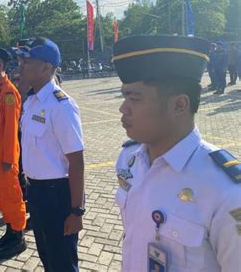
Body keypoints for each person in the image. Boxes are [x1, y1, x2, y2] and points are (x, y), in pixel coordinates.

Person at [112, 35, 241, 272]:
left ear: (179, 105)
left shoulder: (226, 191)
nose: (123, 108)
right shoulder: (130, 160)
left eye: (134, 98)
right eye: (124, 96)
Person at [19, 38, 85, 271]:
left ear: (46, 67)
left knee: (63, 262)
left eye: (28, 61)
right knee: (48, 256)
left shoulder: (61, 106)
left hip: (57, 196)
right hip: (36, 192)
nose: (21, 65)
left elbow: (76, 162)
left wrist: (77, 211)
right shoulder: (32, 101)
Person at [0, 46, 27, 259]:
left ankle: (18, 237)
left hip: (4, 157)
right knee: (0, 194)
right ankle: (10, 230)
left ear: (0, 65)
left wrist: (9, 159)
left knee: (11, 194)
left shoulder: (9, 92)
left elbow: (11, 128)